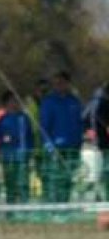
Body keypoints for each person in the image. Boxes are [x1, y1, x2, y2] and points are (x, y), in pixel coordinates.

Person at [40, 70, 83, 203]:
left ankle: (64, 204)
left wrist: (79, 141)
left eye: (62, 83)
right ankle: (53, 206)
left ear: (68, 83)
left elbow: (79, 123)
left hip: (73, 146)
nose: (59, 85)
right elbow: (43, 126)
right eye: (57, 83)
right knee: (55, 178)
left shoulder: (74, 101)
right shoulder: (49, 102)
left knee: (68, 178)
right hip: (56, 148)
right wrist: (49, 145)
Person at [0, 91, 35, 205]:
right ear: (6, 103)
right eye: (12, 100)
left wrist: (30, 152)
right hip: (8, 157)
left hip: (23, 156)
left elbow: (30, 136)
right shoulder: (2, 120)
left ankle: (24, 208)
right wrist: (3, 140)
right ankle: (10, 209)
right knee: (10, 184)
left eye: (17, 100)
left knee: (23, 184)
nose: (15, 103)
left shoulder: (24, 118)